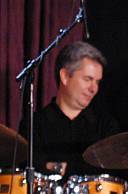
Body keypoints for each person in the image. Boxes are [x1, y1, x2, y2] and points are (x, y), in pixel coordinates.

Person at [20, 41, 119, 177]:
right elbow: (28, 169)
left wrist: (58, 166)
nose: (94, 88)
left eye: (97, 82)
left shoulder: (105, 126)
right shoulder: (33, 124)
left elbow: (112, 170)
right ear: (65, 76)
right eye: (88, 79)